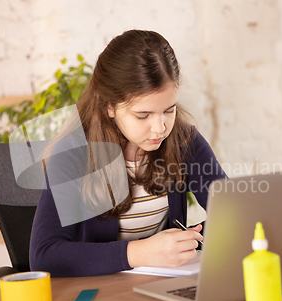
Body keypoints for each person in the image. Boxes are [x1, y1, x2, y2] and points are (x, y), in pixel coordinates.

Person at [29, 29, 226, 277]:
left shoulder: (184, 141)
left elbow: (233, 214)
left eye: (169, 110)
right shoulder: (74, 154)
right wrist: (140, 253)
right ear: (109, 107)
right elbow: (44, 256)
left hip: (162, 286)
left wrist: (186, 243)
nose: (160, 127)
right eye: (142, 115)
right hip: (99, 294)